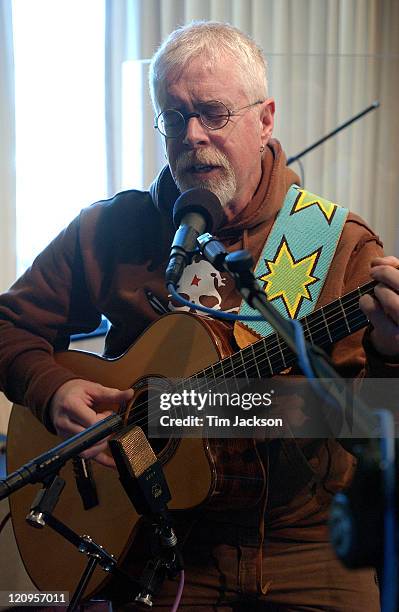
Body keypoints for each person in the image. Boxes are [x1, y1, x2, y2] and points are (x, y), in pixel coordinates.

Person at [1, 20, 399, 611]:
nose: (192, 136)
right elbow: (11, 325)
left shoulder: (332, 241)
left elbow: (379, 419)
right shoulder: (114, 230)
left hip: (308, 548)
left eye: (213, 113)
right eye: (174, 115)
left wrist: (391, 349)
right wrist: (52, 390)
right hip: (161, 548)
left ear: (265, 120)